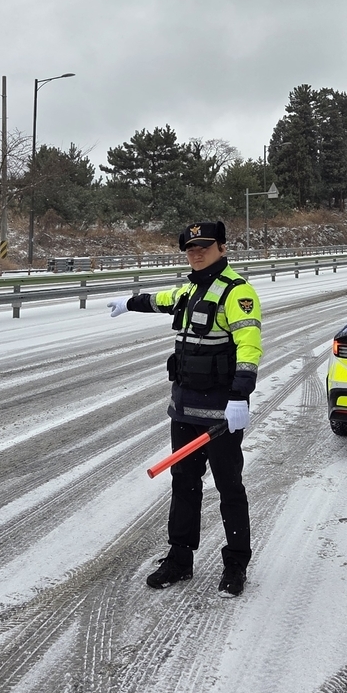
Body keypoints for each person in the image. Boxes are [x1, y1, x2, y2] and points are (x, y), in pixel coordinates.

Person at [107, 219, 262, 597]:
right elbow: (158, 300)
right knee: (184, 485)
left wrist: (240, 396)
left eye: (204, 248)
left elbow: (249, 346)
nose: (196, 254)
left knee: (229, 488)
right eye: (191, 249)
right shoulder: (188, 291)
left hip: (221, 414)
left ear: (222, 249)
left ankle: (236, 564)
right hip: (185, 409)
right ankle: (179, 559)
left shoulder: (237, 293)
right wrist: (128, 303)